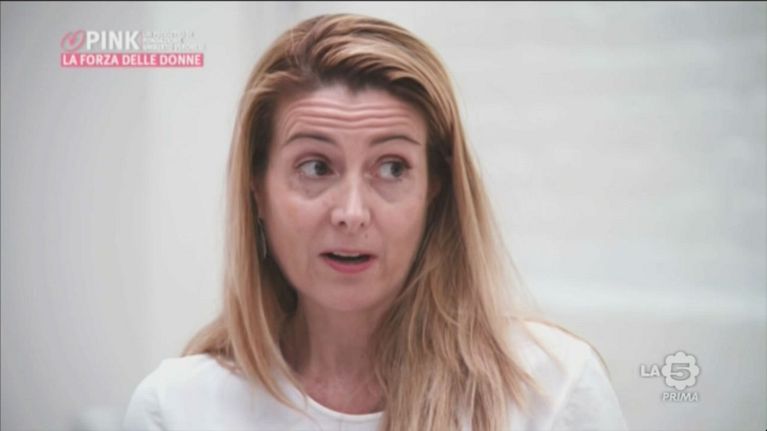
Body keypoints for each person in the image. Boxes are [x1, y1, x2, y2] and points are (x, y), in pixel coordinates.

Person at [123, 13, 628, 431]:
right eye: (315, 167)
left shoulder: (551, 392)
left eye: (392, 168)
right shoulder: (177, 408)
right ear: (257, 188)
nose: (351, 213)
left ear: (435, 189)